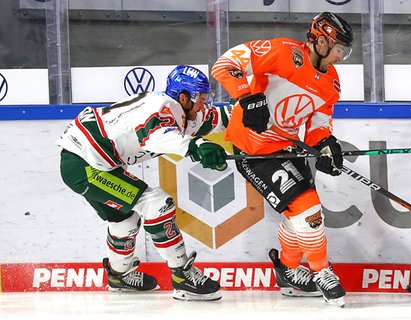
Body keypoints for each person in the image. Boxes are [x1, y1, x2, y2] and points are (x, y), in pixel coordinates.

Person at [211, 12, 353, 307]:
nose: (340, 56)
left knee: (299, 216)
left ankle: (288, 271)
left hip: (287, 147)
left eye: (344, 51)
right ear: (322, 40)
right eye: (339, 49)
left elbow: (318, 123)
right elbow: (224, 64)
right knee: (308, 210)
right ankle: (322, 271)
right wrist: (247, 97)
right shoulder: (282, 52)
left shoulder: (333, 83)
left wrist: (327, 144)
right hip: (253, 150)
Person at [57, 65, 231, 301]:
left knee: (124, 220)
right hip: (85, 165)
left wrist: (255, 110)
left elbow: (219, 118)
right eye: (200, 99)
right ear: (183, 97)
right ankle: (182, 275)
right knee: (156, 204)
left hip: (90, 160)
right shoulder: (161, 108)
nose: (204, 104)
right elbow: (155, 136)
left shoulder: (182, 111)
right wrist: (196, 147)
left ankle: (118, 275)